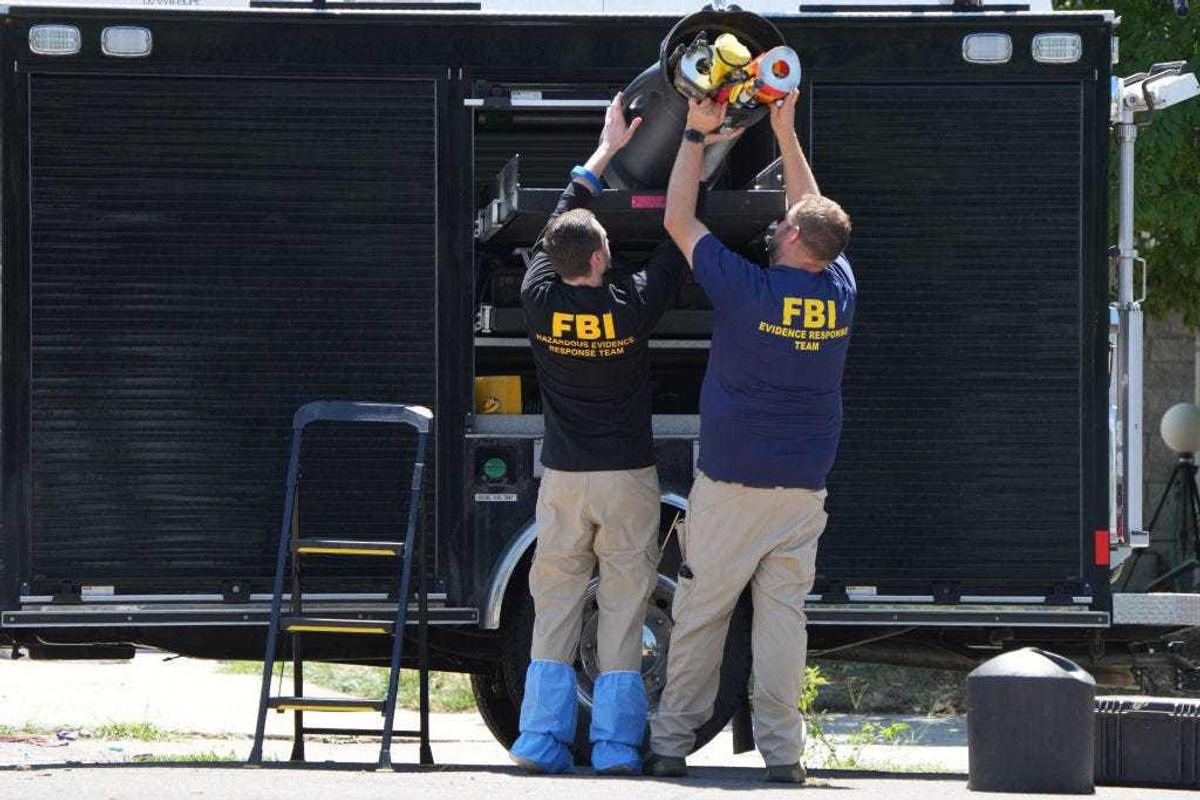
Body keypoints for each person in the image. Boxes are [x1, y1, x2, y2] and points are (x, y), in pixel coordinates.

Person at [646, 90, 856, 784]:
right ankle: (784, 757)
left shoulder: (747, 290)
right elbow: (813, 207)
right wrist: (786, 134)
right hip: (802, 492)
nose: (777, 224)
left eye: (785, 223)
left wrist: (694, 137)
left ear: (793, 239)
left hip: (734, 484)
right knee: (781, 627)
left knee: (702, 614)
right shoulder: (840, 291)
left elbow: (679, 218)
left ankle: (671, 743)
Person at [508, 93, 693, 775]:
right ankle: (616, 748)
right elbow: (681, 236)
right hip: (626, 478)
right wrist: (694, 145)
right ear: (602, 257)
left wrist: (605, 148)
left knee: (555, 603)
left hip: (563, 477)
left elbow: (555, 219)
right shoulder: (632, 304)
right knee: (622, 605)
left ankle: (539, 743)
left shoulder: (537, 295)